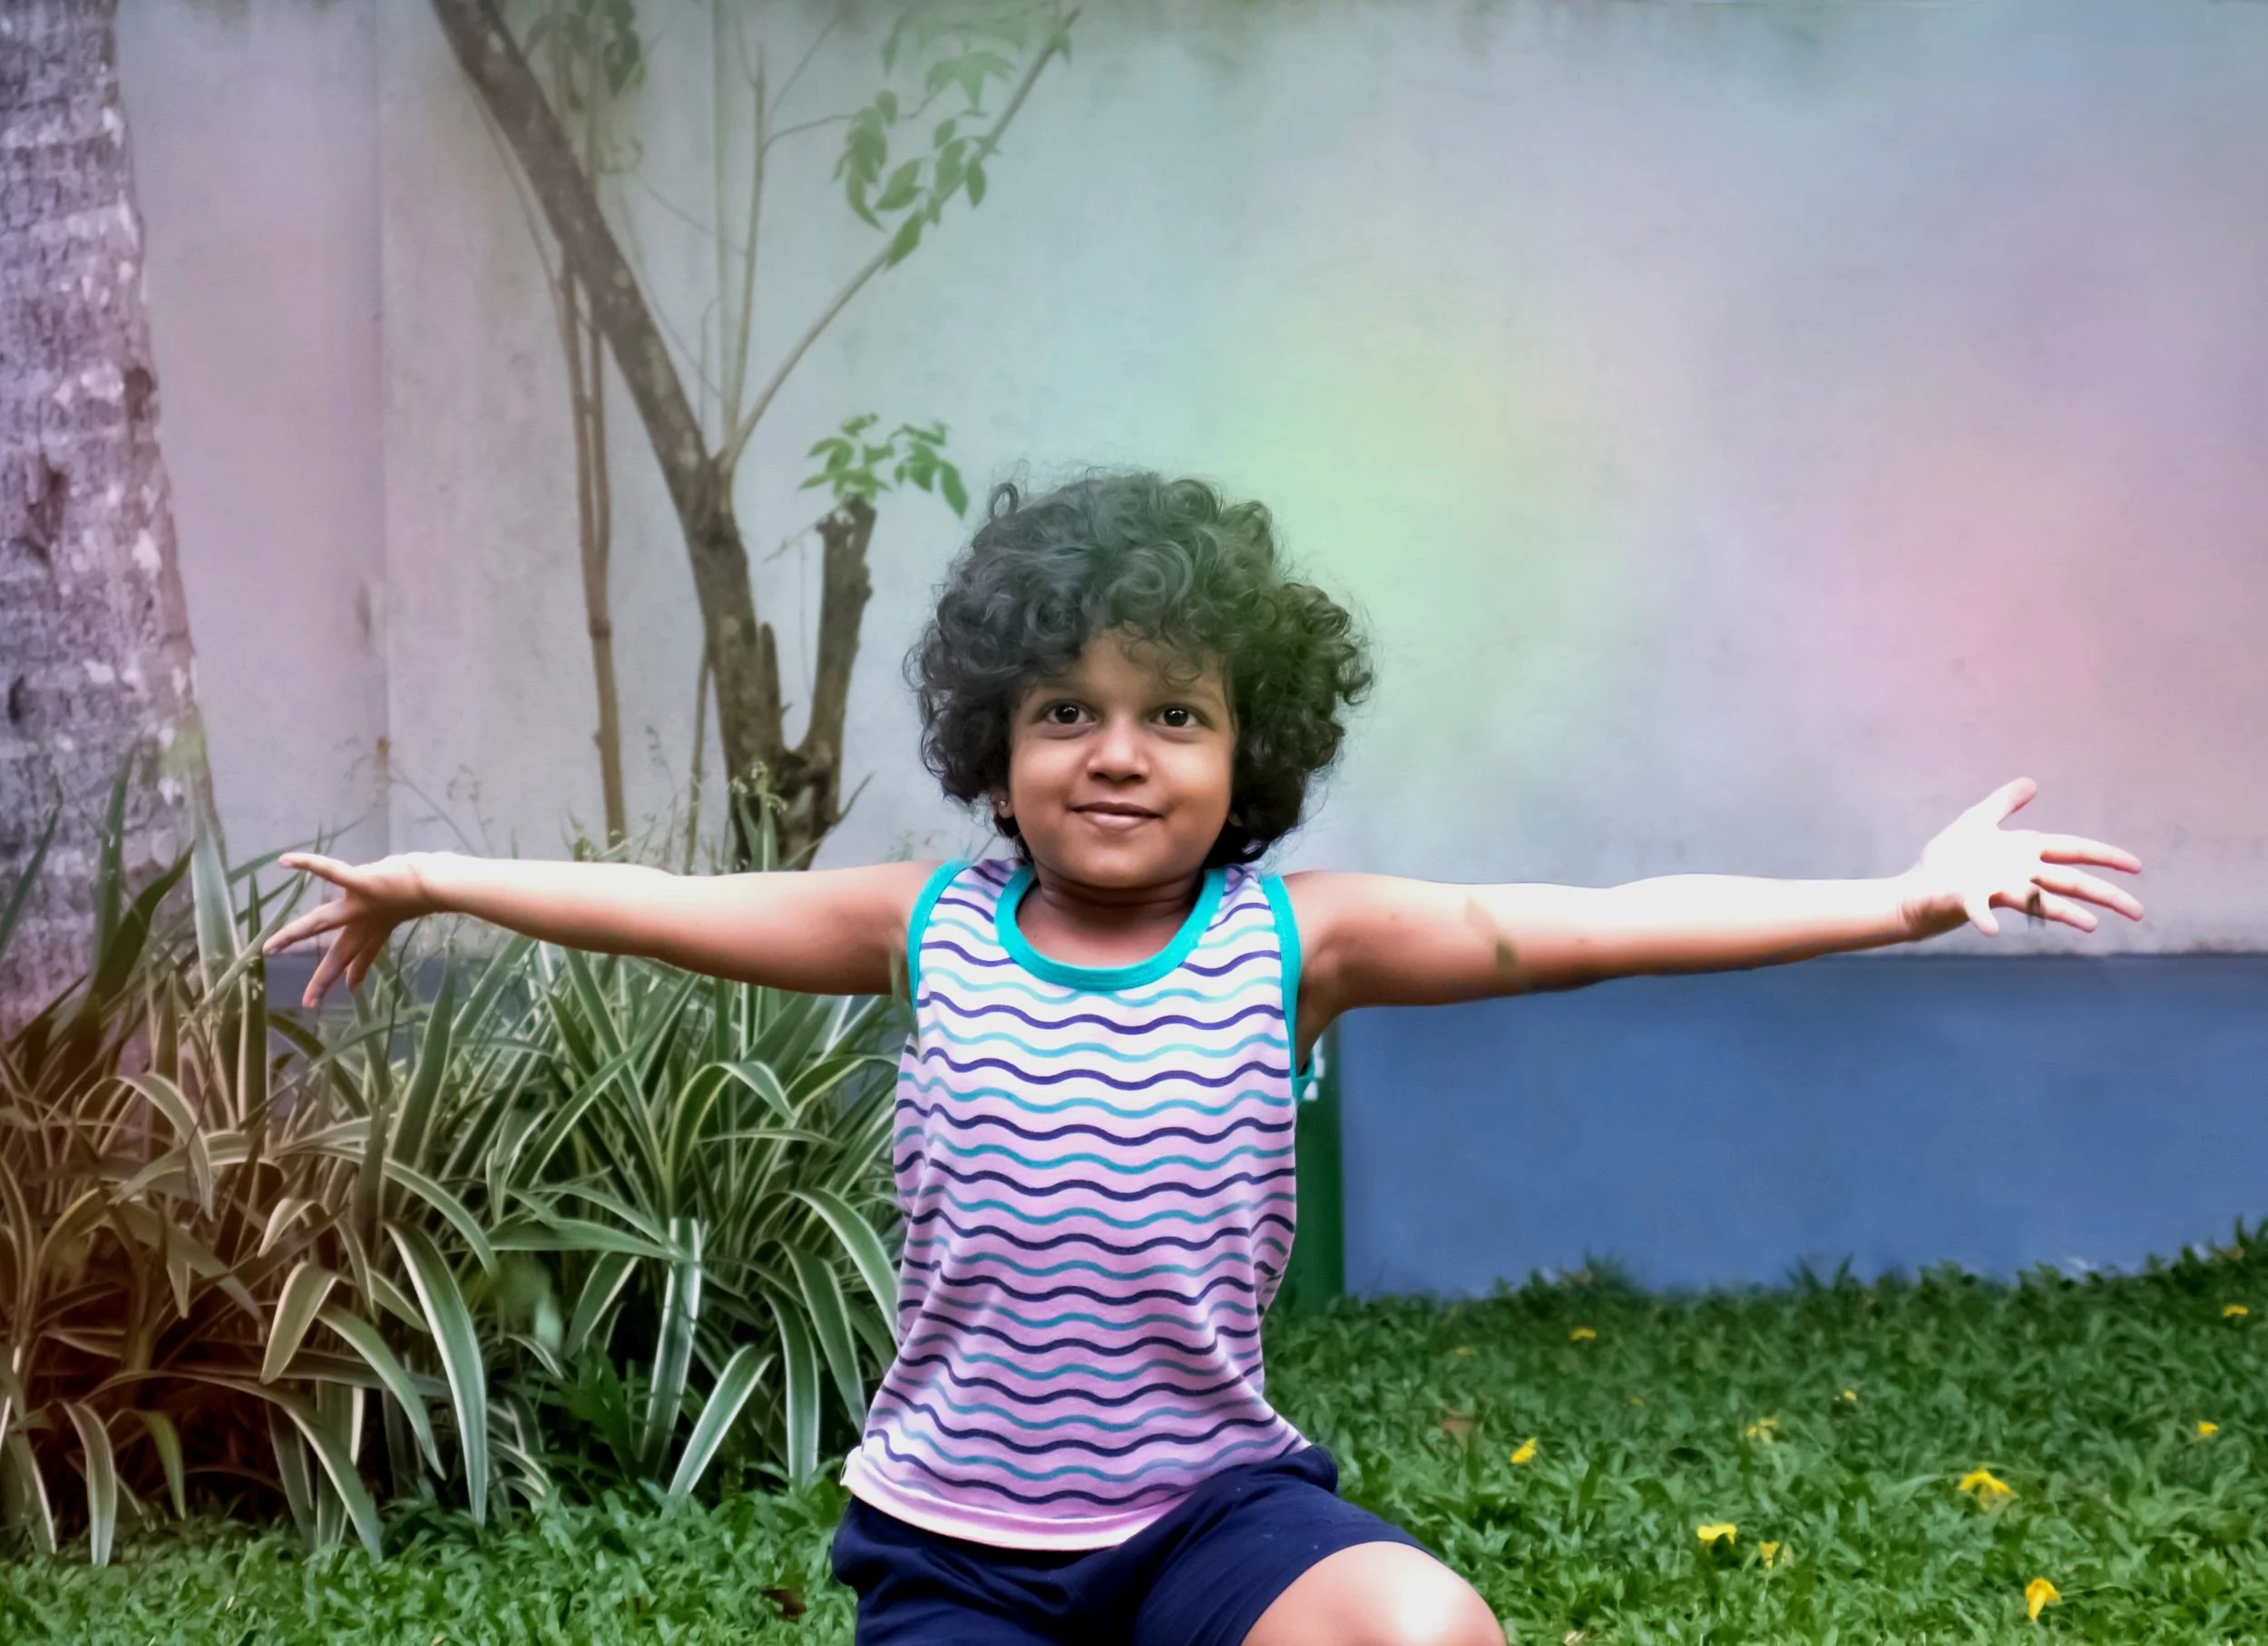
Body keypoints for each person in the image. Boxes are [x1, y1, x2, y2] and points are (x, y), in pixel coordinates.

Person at [265, 471, 2145, 1646]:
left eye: (1173, 712)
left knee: (1427, 1627)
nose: (1115, 751)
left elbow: (1599, 919)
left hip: (1207, 1519)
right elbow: (669, 903)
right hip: (955, 1551)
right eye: (1064, 709)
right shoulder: (922, 924)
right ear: (997, 744)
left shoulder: (1295, 941)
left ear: (1248, 750)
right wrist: (429, 881)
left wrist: (1903, 897)